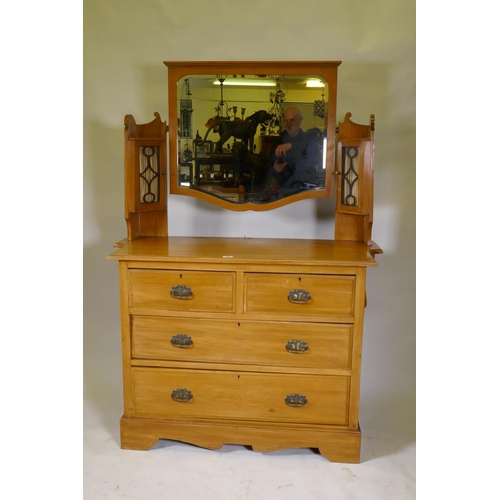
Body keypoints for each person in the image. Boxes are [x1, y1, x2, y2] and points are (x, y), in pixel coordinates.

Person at [266, 106, 316, 191]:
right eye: (286, 121)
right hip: (282, 193)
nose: (289, 124)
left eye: (292, 120)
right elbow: (268, 170)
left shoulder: (308, 140)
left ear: (300, 120)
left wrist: (291, 145)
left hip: (303, 191)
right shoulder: (278, 143)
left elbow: (310, 166)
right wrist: (275, 169)